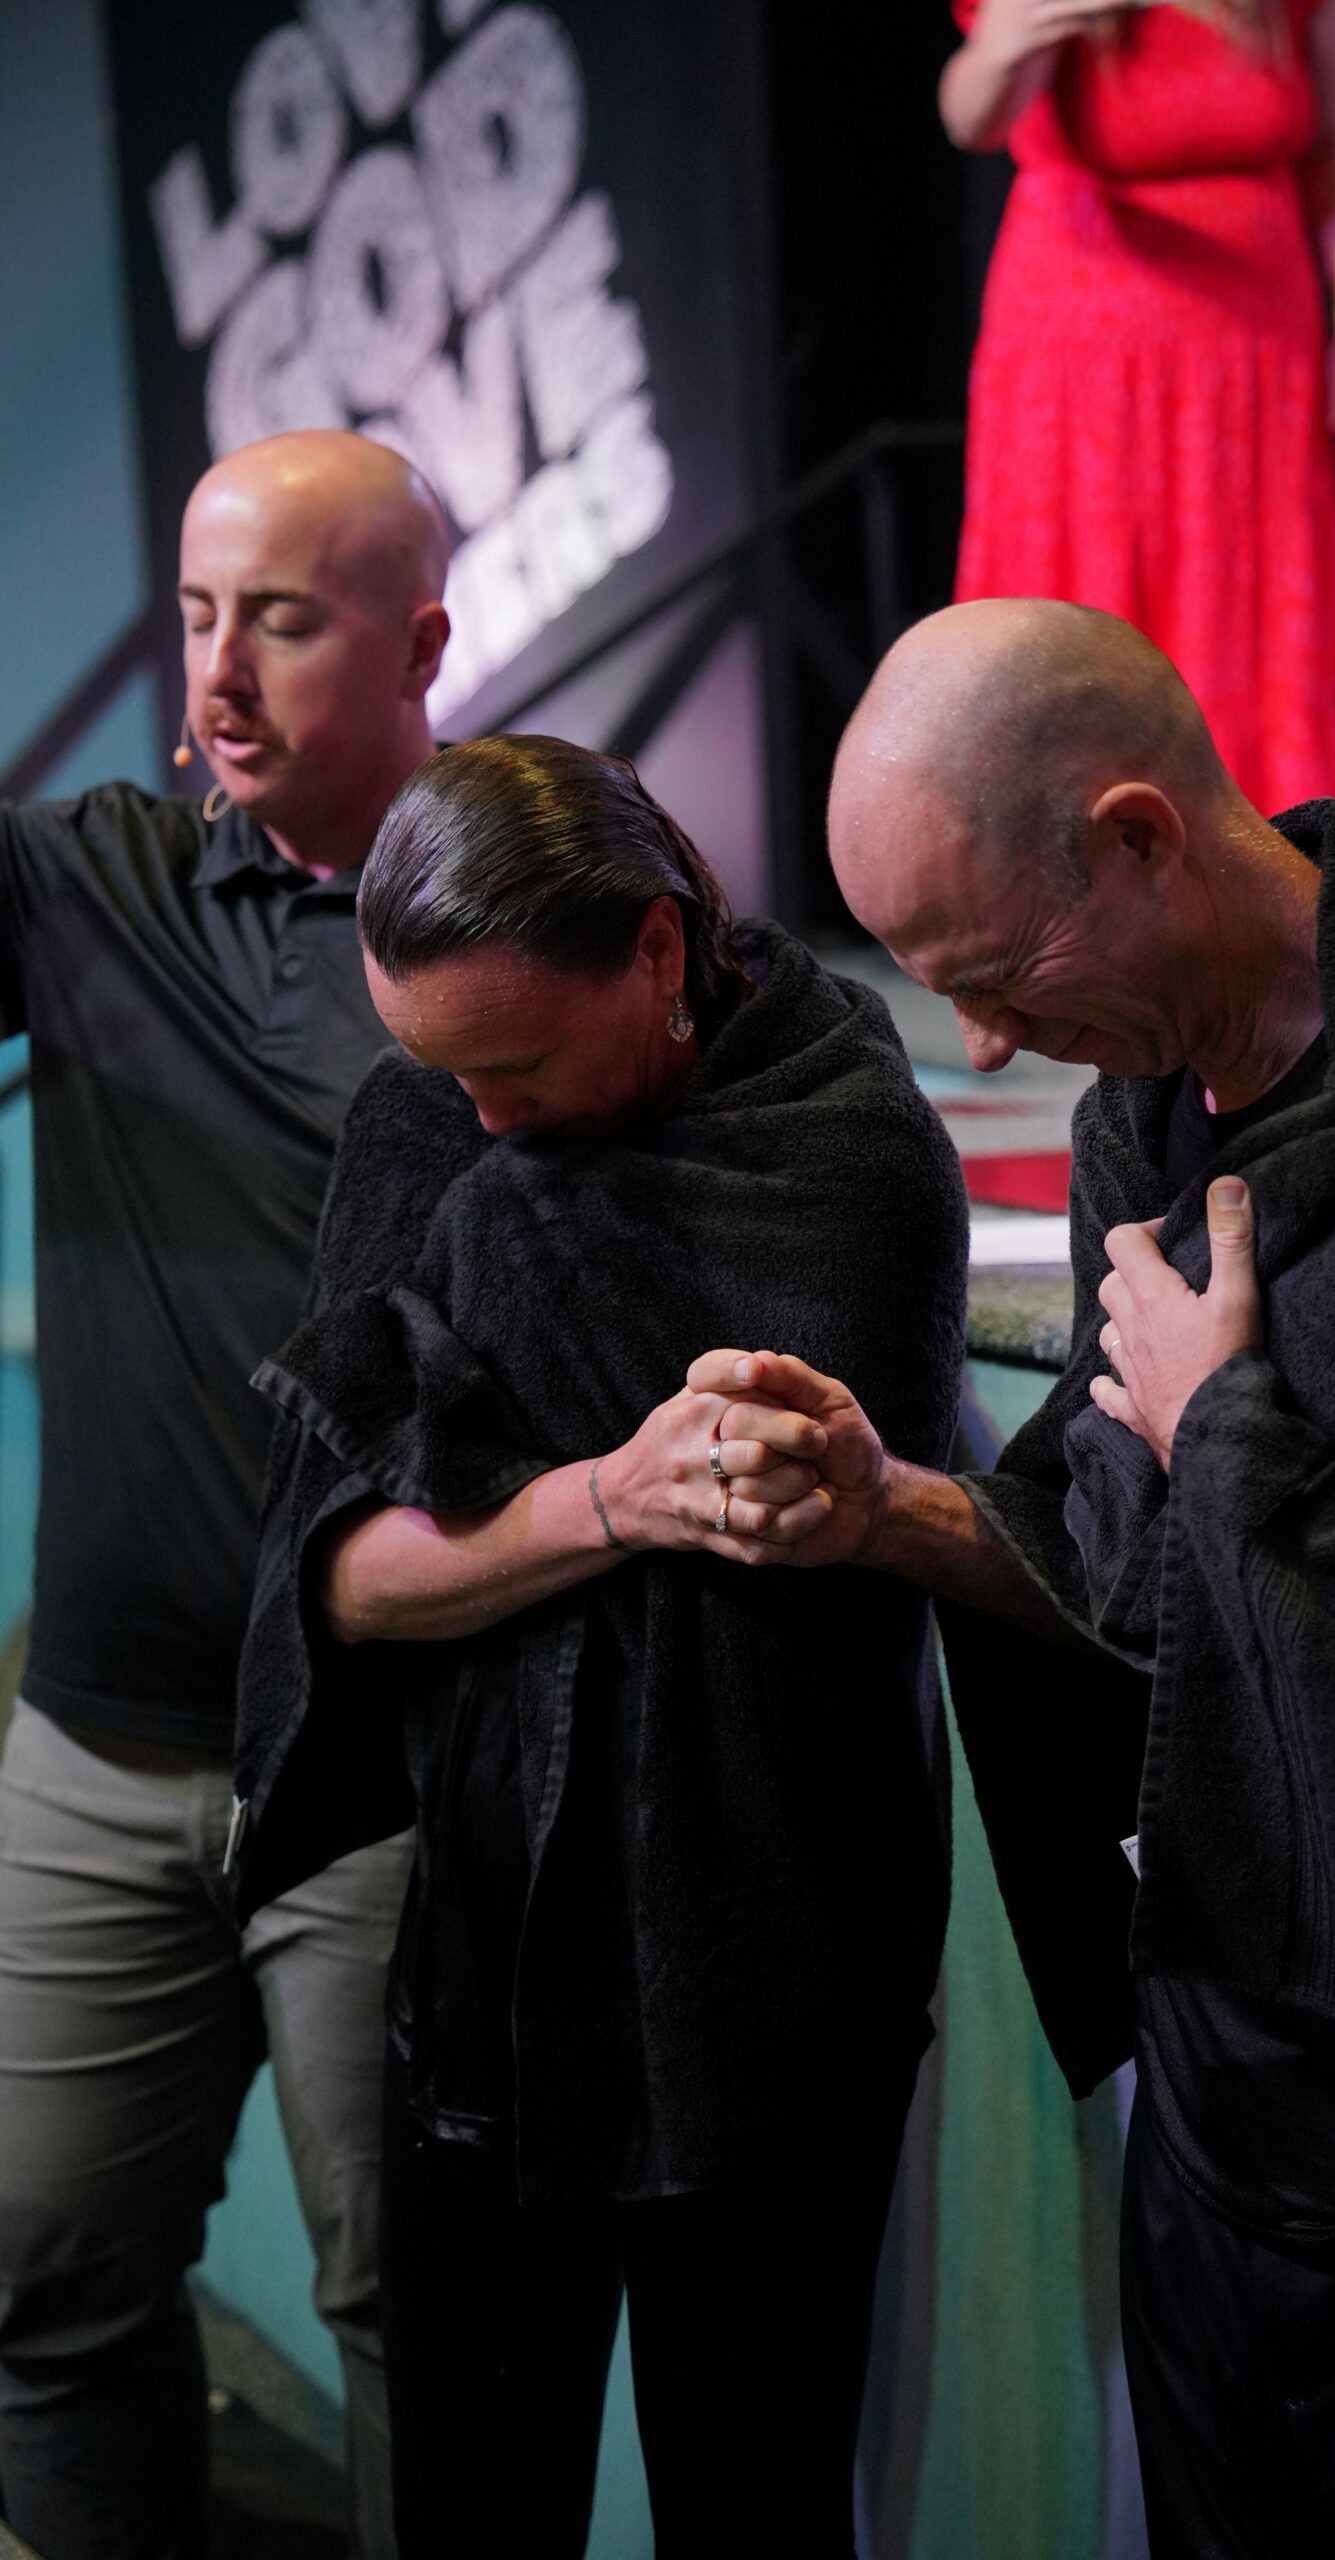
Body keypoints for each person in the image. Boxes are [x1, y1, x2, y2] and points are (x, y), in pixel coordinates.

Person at [688, 597, 1335, 2557]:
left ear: (1139, 835)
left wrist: (1215, 1416)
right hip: (1233, 2089)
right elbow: (1128, 1566)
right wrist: (880, 1504)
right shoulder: (1134, 1111)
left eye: (993, 971)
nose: (979, 1040)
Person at [229, 735, 967, 2558]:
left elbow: (793, 1506)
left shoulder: (843, 1142)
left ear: (655, 951)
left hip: (775, 1960)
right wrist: (610, 1504)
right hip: (490, 1952)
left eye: (519, 1064)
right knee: (472, 2499)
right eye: (444, 1071)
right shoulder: (428, 1128)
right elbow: (336, 1581)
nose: (479, 1120)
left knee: (757, 2494)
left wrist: (508, 1501)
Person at [0, 427, 451, 2560]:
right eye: (196, 615)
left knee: (423, 2330)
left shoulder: (520, 919)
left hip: (385, 1772)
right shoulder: (93, 886)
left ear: (420, 639)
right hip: (93, 1746)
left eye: (278, 617)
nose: (221, 673)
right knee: (42, 2283)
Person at [940, 0, 1335, 816]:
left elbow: (1334, 140)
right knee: (1079, 604)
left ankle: (1257, 890)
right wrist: (1004, 44)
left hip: (1255, 347)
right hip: (1086, 345)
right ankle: (1055, 892)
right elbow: (975, 116)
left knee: (1251, 618)